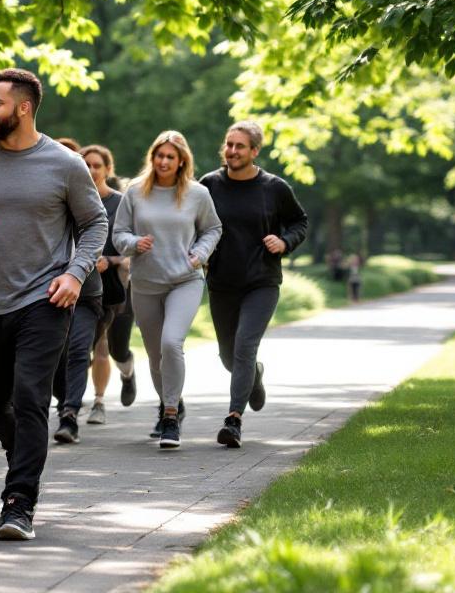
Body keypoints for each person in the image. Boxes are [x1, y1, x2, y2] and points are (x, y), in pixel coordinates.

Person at [0, 68, 107, 541]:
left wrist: (75, 274)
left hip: (44, 300)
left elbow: (95, 223)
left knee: (32, 399)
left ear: (24, 108)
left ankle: (19, 503)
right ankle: (27, 458)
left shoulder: (64, 164)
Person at [200, 122, 309, 448]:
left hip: (261, 281)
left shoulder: (274, 188)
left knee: (245, 346)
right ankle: (254, 376)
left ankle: (233, 420)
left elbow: (299, 221)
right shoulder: (209, 185)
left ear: (254, 151)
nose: (232, 151)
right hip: (222, 282)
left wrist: (285, 241)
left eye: (240, 146)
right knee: (228, 356)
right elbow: (194, 222)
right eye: (229, 144)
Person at [113, 130, 222, 449]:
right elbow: (118, 234)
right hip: (145, 283)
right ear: (153, 157)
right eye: (159, 155)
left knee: (171, 343)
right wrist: (134, 244)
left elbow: (213, 228)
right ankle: (170, 402)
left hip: (184, 280)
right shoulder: (134, 192)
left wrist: (200, 255)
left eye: (170, 157)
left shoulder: (197, 194)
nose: (164, 161)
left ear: (181, 161)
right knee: (155, 354)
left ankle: (170, 416)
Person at [49, 138, 105, 444]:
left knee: (78, 351)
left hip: (85, 291)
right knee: (56, 356)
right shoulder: (44, 198)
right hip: (45, 289)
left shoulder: (86, 201)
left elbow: (97, 229)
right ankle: (64, 401)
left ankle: (69, 415)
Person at [79, 145, 139, 426]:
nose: (91, 170)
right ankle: (98, 403)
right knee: (94, 345)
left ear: (107, 169)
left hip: (118, 287)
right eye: (85, 165)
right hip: (83, 286)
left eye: (96, 165)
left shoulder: (122, 203)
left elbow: (134, 248)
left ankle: (127, 373)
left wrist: (111, 261)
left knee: (117, 349)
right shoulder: (72, 200)